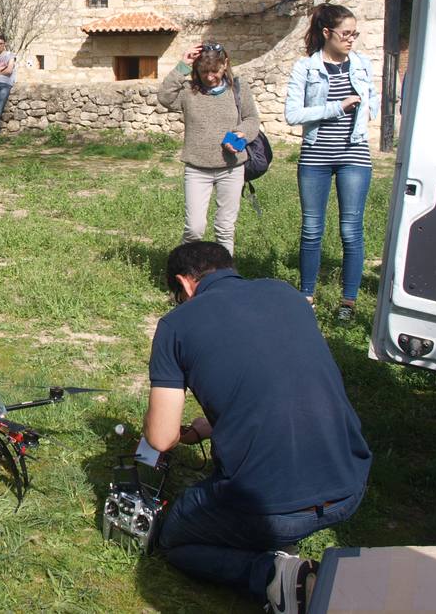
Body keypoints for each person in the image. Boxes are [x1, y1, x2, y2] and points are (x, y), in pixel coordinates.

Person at [144, 241, 371, 614]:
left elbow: (161, 438)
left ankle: (276, 575)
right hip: (349, 486)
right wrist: (213, 426)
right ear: (229, 267)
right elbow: (278, 378)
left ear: (185, 285)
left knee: (173, 539)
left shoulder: (176, 325)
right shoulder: (288, 294)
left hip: (274, 509)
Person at [284, 3, 380, 320]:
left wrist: (368, 111)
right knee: (312, 229)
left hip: (354, 153)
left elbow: (374, 102)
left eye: (355, 33)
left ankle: (348, 302)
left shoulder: (363, 65)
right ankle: (306, 296)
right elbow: (293, 115)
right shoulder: (306, 68)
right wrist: (336, 108)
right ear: (327, 33)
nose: (352, 39)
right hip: (315, 155)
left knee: (351, 230)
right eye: (346, 33)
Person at [157, 42, 260, 255]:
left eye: (215, 70)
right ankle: (186, 275)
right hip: (197, 169)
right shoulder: (188, 91)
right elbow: (165, 97)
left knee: (224, 229)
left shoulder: (238, 89)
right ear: (196, 69)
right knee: (194, 229)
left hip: (231, 169)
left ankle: (225, 279)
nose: (210, 76)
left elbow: (252, 120)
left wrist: (241, 134)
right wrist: (182, 66)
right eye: (204, 71)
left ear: (225, 65)